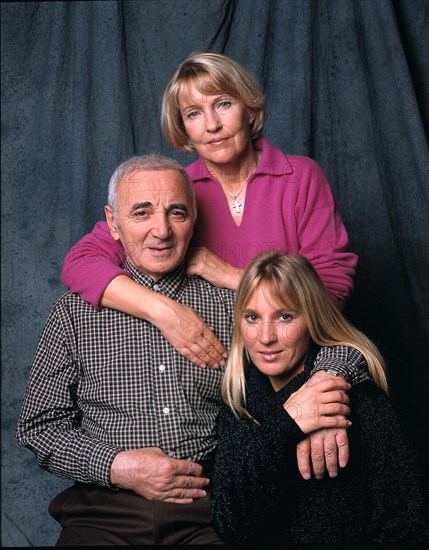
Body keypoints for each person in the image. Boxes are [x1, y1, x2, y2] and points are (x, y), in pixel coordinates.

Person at [17, 155, 359, 546]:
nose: (160, 230)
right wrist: (119, 467)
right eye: (141, 213)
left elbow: (332, 338)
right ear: (113, 222)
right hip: (103, 514)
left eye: (176, 213)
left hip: (212, 512)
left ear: (194, 218)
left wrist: (326, 391)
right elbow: (38, 428)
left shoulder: (235, 306)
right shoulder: (74, 312)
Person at [61, 50, 358, 374]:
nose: (212, 125)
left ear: (248, 108)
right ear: (183, 128)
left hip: (298, 360)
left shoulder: (300, 177)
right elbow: (80, 263)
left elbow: (330, 295)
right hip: (218, 368)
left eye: (223, 104)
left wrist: (231, 276)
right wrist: (164, 312)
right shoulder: (174, 195)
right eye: (193, 113)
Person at [211, 250, 429, 544]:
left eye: (284, 316)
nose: (265, 337)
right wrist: (289, 423)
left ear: (312, 317)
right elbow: (232, 525)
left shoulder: (358, 399)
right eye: (252, 317)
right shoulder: (238, 406)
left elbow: (406, 522)